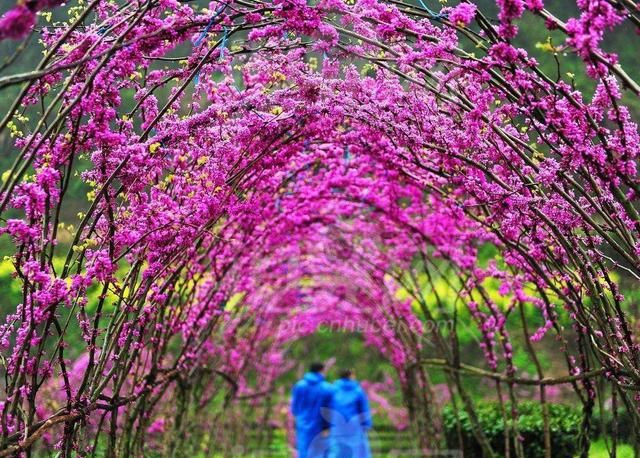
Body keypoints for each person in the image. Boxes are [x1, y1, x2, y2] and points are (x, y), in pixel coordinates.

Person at [291, 362, 334, 458]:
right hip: (321, 426)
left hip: (303, 424)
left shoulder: (299, 386)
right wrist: (327, 426)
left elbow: (294, 408)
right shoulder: (327, 388)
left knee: (304, 451)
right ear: (322, 370)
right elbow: (330, 410)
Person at [328, 369, 372, 458]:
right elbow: (364, 410)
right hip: (354, 426)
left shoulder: (333, 390)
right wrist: (367, 424)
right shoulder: (358, 391)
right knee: (355, 451)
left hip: (337, 426)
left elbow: (329, 407)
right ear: (351, 376)